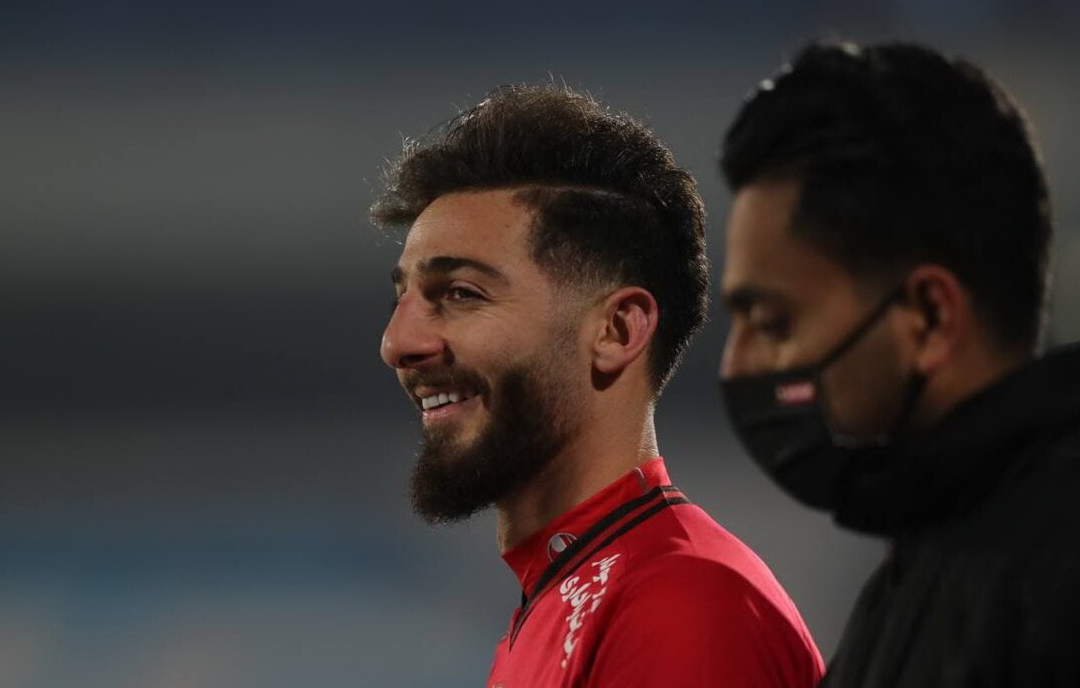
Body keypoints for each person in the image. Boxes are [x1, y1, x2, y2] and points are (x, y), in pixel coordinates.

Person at [374, 84, 824, 688]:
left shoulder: (681, 604)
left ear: (617, 330)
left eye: (460, 294)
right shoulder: (564, 598)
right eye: (402, 298)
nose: (397, 343)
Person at [719, 40, 1080, 687]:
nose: (737, 365)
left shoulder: (1050, 574)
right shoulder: (912, 577)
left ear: (929, 317)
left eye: (772, 324)